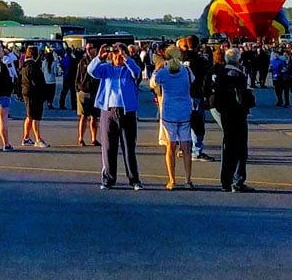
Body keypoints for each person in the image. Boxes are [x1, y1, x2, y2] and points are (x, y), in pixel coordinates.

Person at [88, 43, 143, 190]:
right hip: (108, 111)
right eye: (116, 53)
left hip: (127, 112)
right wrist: (99, 57)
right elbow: (91, 71)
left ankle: (134, 180)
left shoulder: (129, 68)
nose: (118, 56)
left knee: (128, 147)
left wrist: (126, 58)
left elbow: (137, 73)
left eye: (120, 53)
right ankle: (108, 179)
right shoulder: (106, 68)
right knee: (108, 147)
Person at [210, 48, 255, 192]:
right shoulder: (240, 74)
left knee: (227, 146)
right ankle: (238, 180)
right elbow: (245, 95)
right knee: (241, 149)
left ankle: (226, 181)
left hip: (224, 112)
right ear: (237, 60)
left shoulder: (219, 73)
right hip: (238, 113)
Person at [150, 46, 195, 190]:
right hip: (185, 111)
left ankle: (172, 179)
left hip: (169, 111)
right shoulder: (187, 71)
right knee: (186, 147)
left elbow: (153, 83)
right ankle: (188, 180)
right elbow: (192, 81)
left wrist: (157, 68)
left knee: (171, 147)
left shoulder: (163, 72)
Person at [180, 36, 215, 162]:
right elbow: (205, 77)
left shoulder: (180, 59)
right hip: (196, 93)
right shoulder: (199, 61)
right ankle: (196, 150)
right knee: (197, 123)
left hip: (182, 94)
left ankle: (184, 147)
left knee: (185, 122)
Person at [18, 46, 49, 147]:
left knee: (29, 116)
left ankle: (26, 137)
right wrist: (43, 93)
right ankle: (38, 139)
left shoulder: (24, 65)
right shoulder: (33, 66)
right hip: (34, 94)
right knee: (35, 117)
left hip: (26, 92)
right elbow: (38, 82)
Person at [74, 43, 101, 147]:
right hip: (84, 91)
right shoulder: (82, 61)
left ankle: (94, 139)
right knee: (83, 116)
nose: (88, 51)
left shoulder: (99, 62)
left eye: (90, 48)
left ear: (95, 49)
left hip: (96, 92)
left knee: (95, 117)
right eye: (87, 49)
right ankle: (81, 138)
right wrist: (78, 88)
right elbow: (77, 76)